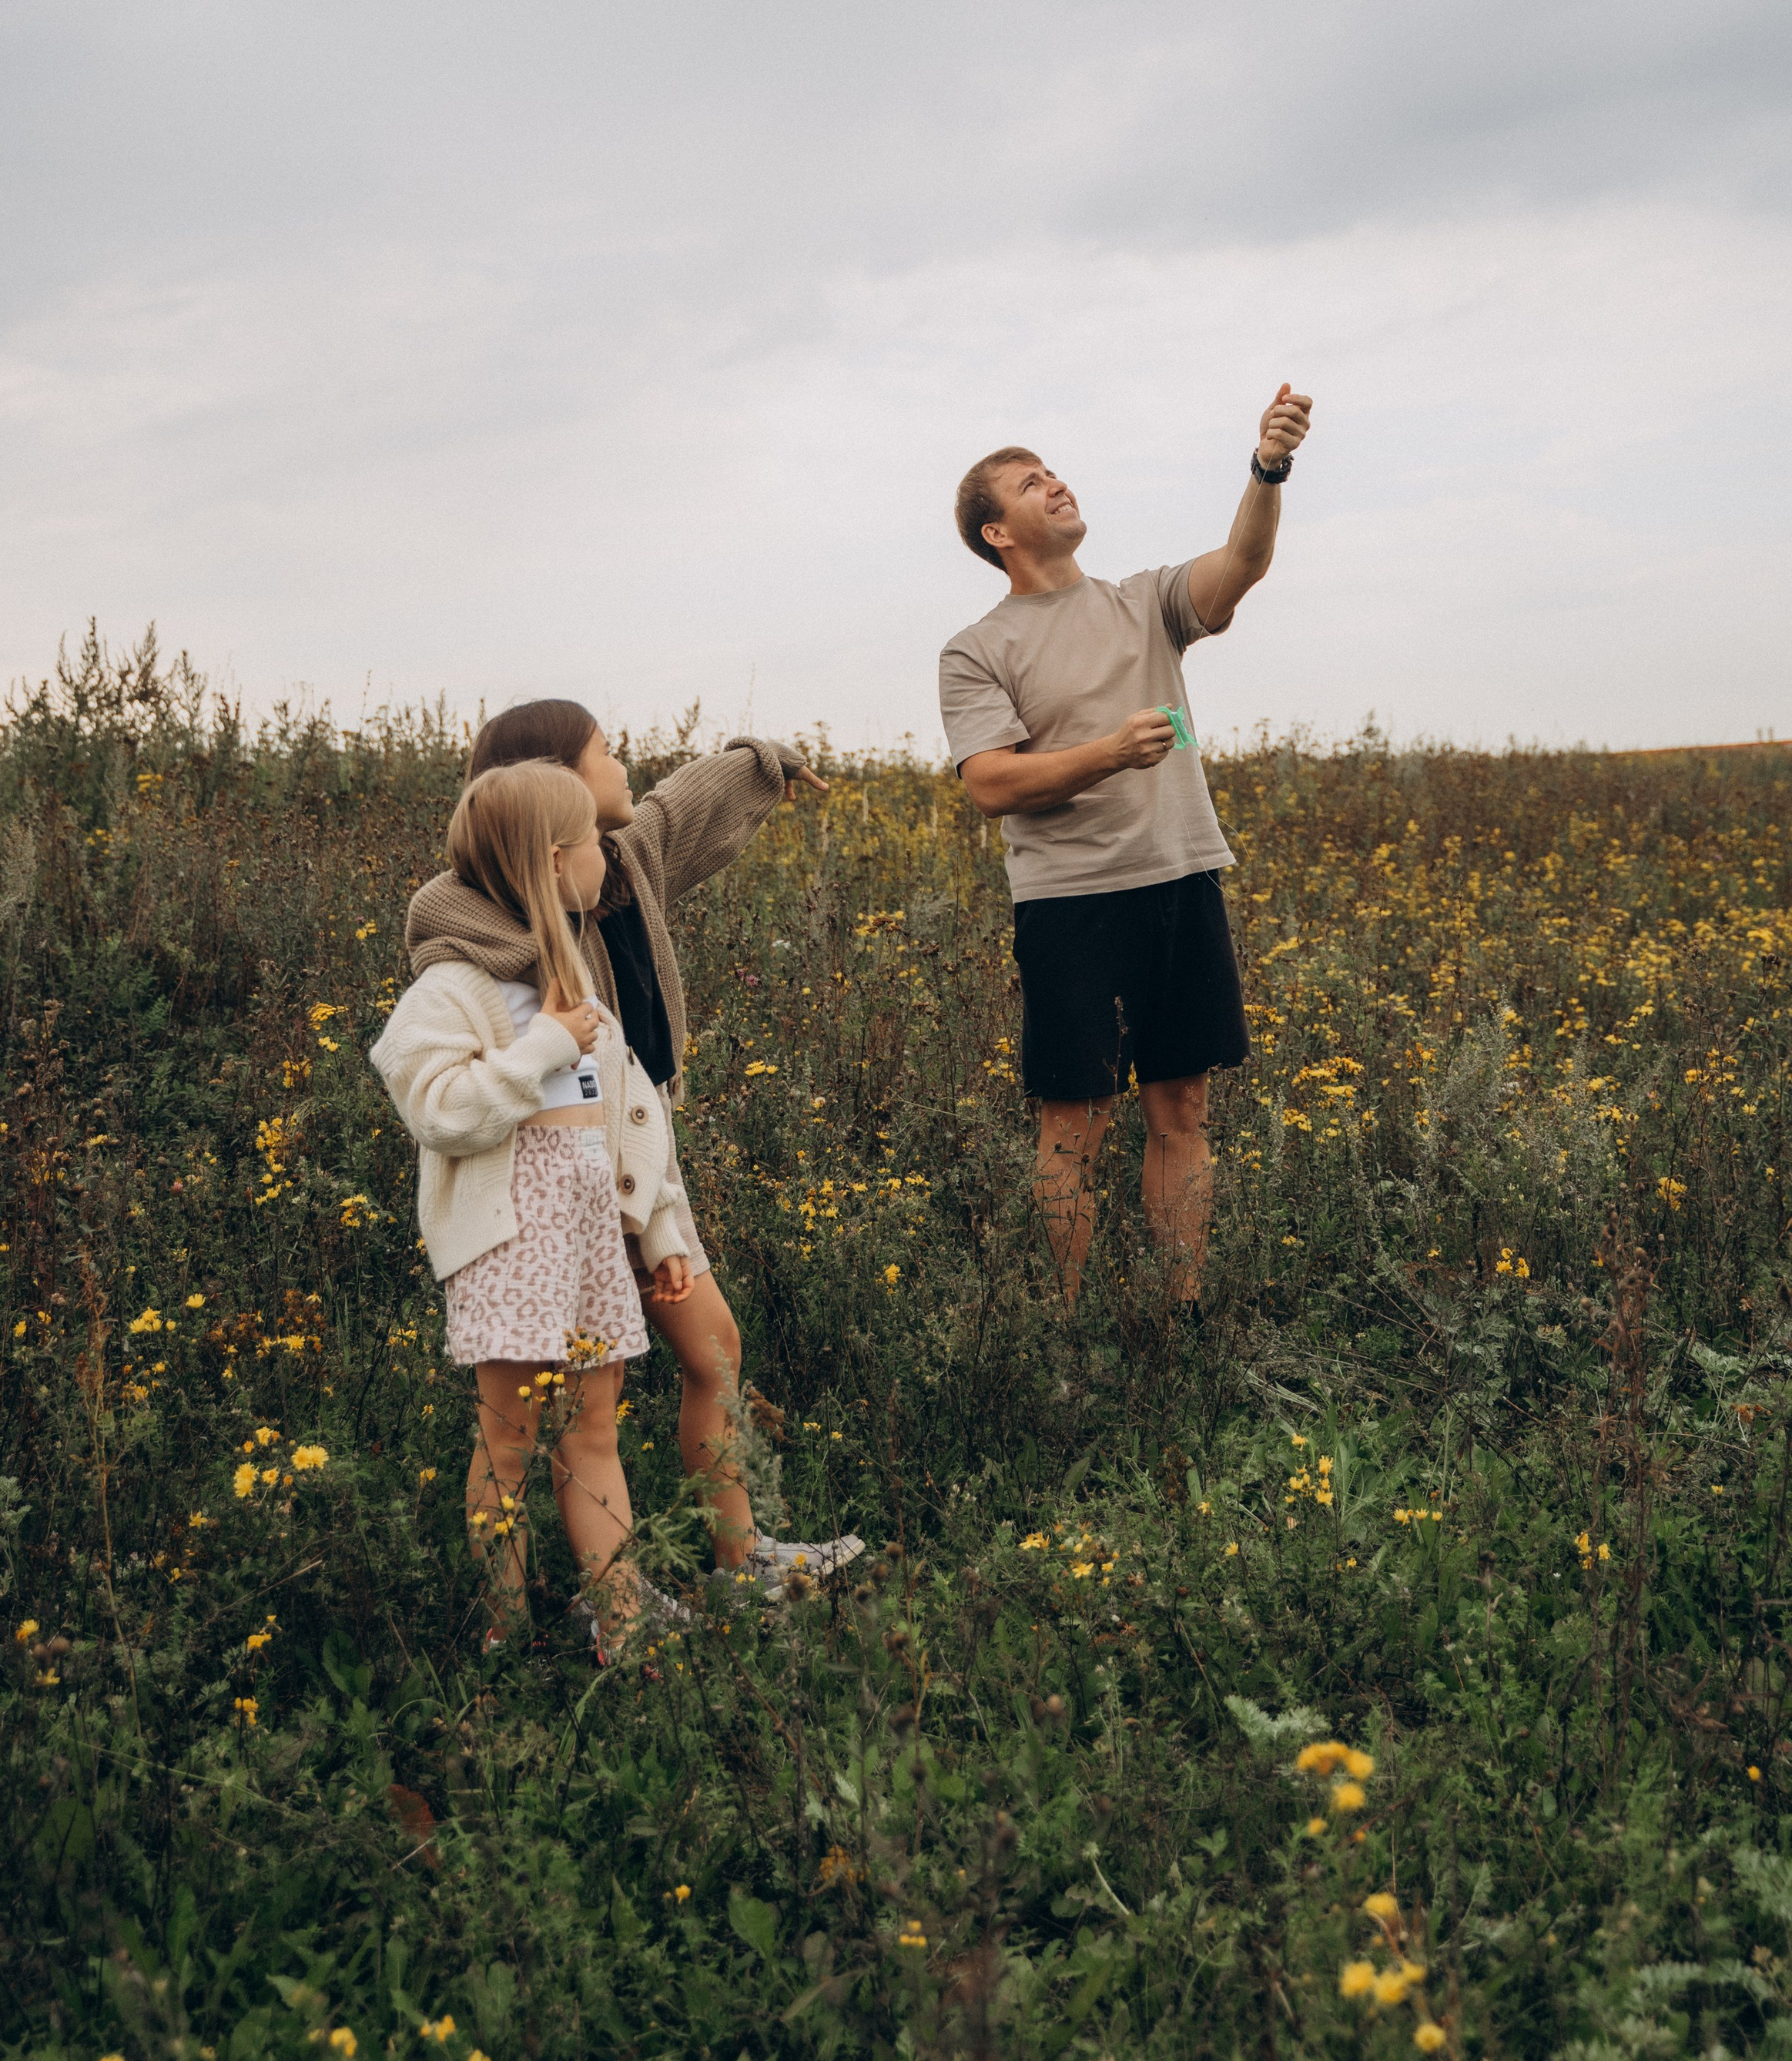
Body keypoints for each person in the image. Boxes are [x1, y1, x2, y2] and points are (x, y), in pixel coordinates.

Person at [430, 699, 862, 1599]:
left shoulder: (625, 860)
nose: (626, 764)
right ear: (551, 795)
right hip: (553, 1180)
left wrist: (770, 756)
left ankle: (738, 1566)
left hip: (641, 1164)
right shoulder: (486, 922)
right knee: (557, 1420)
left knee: (712, 1354)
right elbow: (458, 964)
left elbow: (688, 798)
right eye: (606, 752)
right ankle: (574, 1608)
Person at [939, 384, 1312, 1310]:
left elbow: (1241, 563)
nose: (1057, 485)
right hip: (1072, 903)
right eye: (1032, 483)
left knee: (1181, 1110)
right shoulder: (975, 650)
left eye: (1056, 473)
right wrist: (1110, 753)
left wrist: (1267, 467)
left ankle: (1179, 1313)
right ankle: (1067, 1327)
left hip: (1180, 881)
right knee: (1074, 1126)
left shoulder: (1145, 602)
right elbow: (989, 783)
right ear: (998, 533)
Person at [372, 758, 681, 1662]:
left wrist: (656, 1227)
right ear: (554, 862)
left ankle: (620, 1629)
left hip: (586, 1245)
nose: (607, 861)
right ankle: (505, 1637)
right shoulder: (456, 989)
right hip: (510, 1248)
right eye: (595, 845)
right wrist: (544, 1044)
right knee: (508, 1443)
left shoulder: (578, 979)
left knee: (592, 1428)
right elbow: (437, 1109)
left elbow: (629, 1122)